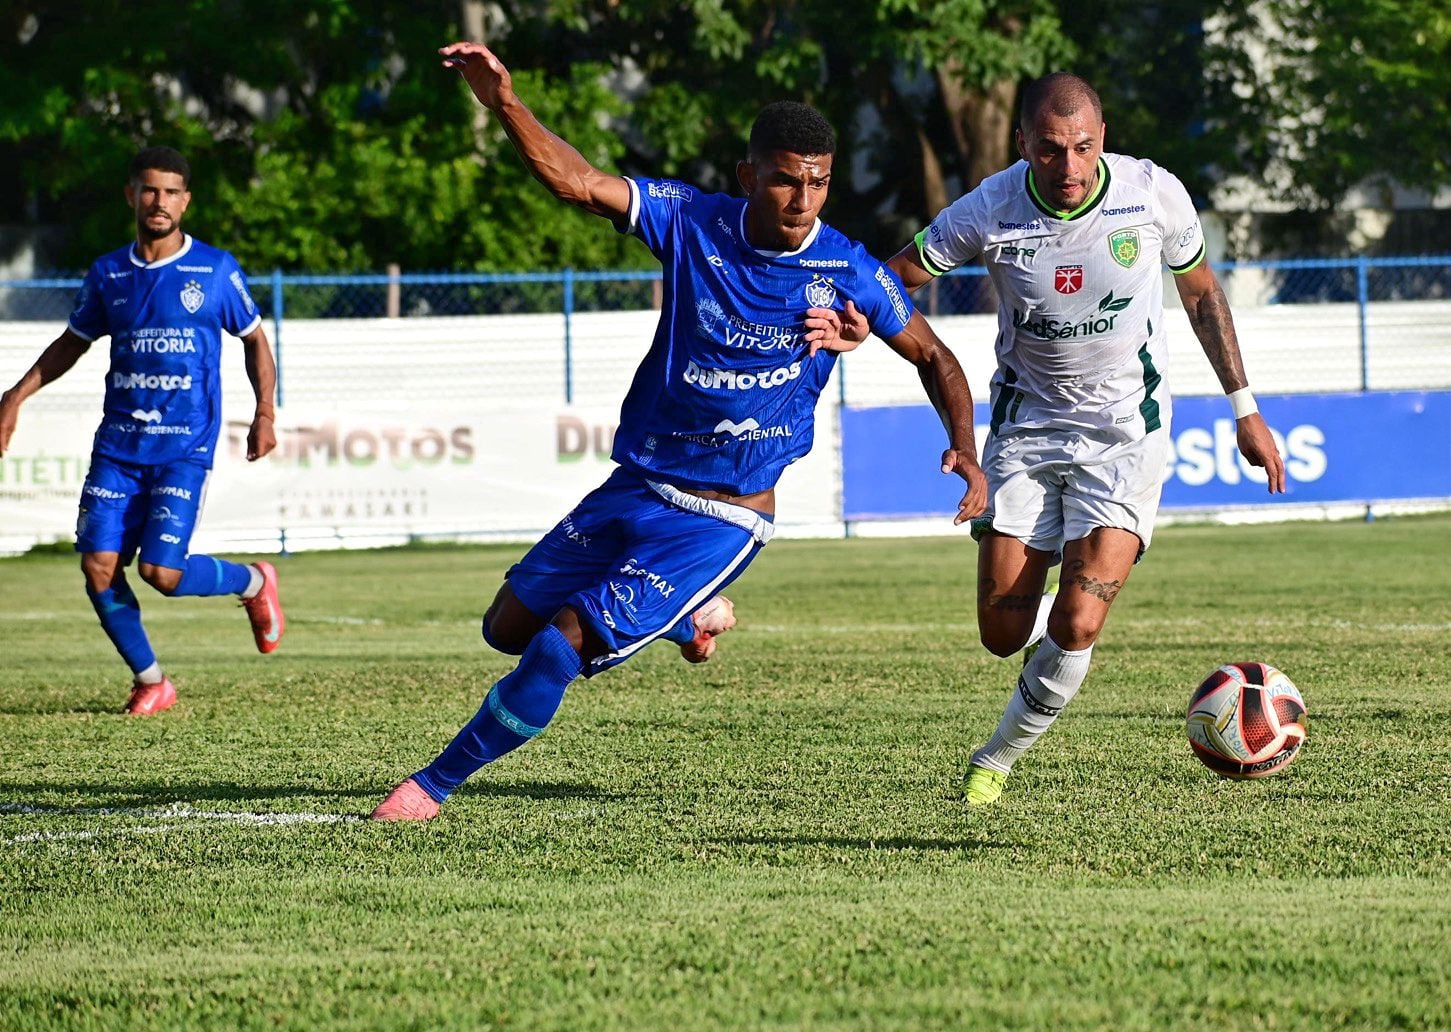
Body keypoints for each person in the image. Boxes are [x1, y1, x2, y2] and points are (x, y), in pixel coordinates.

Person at [369, 41, 989, 821]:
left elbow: (934, 356)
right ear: (747, 176)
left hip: (727, 514)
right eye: (785, 178)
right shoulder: (691, 221)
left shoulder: (847, 272)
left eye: (818, 183)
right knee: (505, 627)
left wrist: (966, 451)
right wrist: (504, 105)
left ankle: (431, 786)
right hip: (638, 481)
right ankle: (689, 617)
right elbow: (578, 181)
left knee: (557, 644)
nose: (803, 199)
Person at [832, 72, 1286, 806]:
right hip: (1026, 432)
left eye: (1080, 148)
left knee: (1076, 617)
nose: (1068, 167)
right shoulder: (990, 206)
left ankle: (997, 758)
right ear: (1023, 147)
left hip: (1124, 435)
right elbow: (898, 275)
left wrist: (1245, 407)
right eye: (1049, 151)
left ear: (1101, 139)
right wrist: (857, 316)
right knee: (1001, 634)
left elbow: (1200, 291)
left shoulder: (1152, 193)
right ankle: (1044, 656)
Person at [0, 147, 286, 716]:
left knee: (162, 573)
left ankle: (253, 582)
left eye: (172, 192)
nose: (160, 202)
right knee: (98, 568)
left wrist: (265, 412)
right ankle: (152, 680)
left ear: (186, 201)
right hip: (119, 446)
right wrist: (16, 395)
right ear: (132, 195)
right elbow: (72, 343)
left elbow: (254, 339)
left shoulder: (215, 270)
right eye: (150, 190)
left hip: (184, 446)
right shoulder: (108, 274)